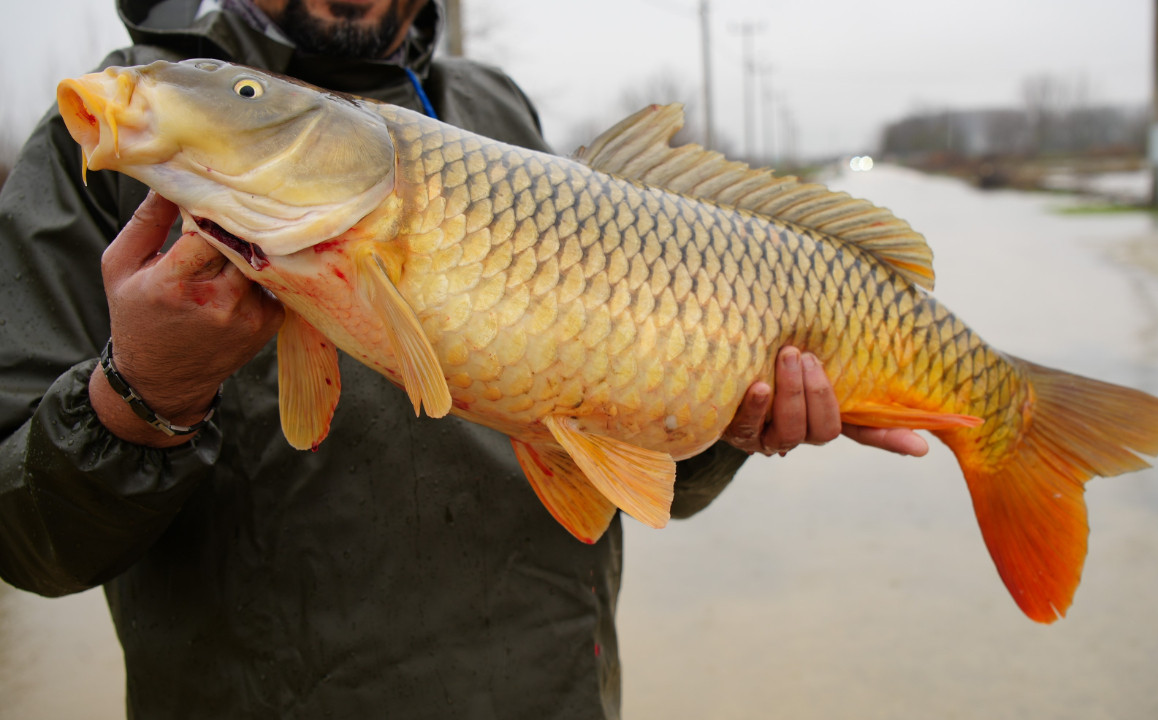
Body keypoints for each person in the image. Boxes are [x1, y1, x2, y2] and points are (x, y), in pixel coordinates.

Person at [0, 0, 924, 716]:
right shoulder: (122, 150)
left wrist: (728, 423)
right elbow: (22, 541)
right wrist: (142, 392)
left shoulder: (493, 110)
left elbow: (624, 458)